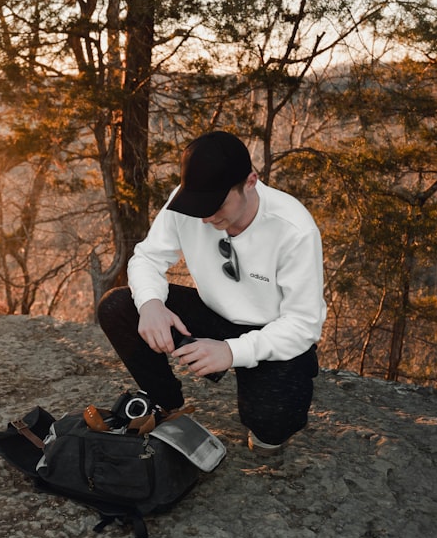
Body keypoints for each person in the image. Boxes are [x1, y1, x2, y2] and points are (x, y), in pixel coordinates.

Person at [97, 130, 326, 456]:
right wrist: (150, 304)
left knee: (270, 430)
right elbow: (147, 258)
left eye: (216, 204)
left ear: (250, 181)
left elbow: (303, 324)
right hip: (212, 315)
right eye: (198, 204)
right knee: (119, 306)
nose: (204, 216)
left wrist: (232, 352)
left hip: (274, 333)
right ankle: (166, 406)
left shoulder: (293, 228)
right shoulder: (187, 202)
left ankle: (265, 417)